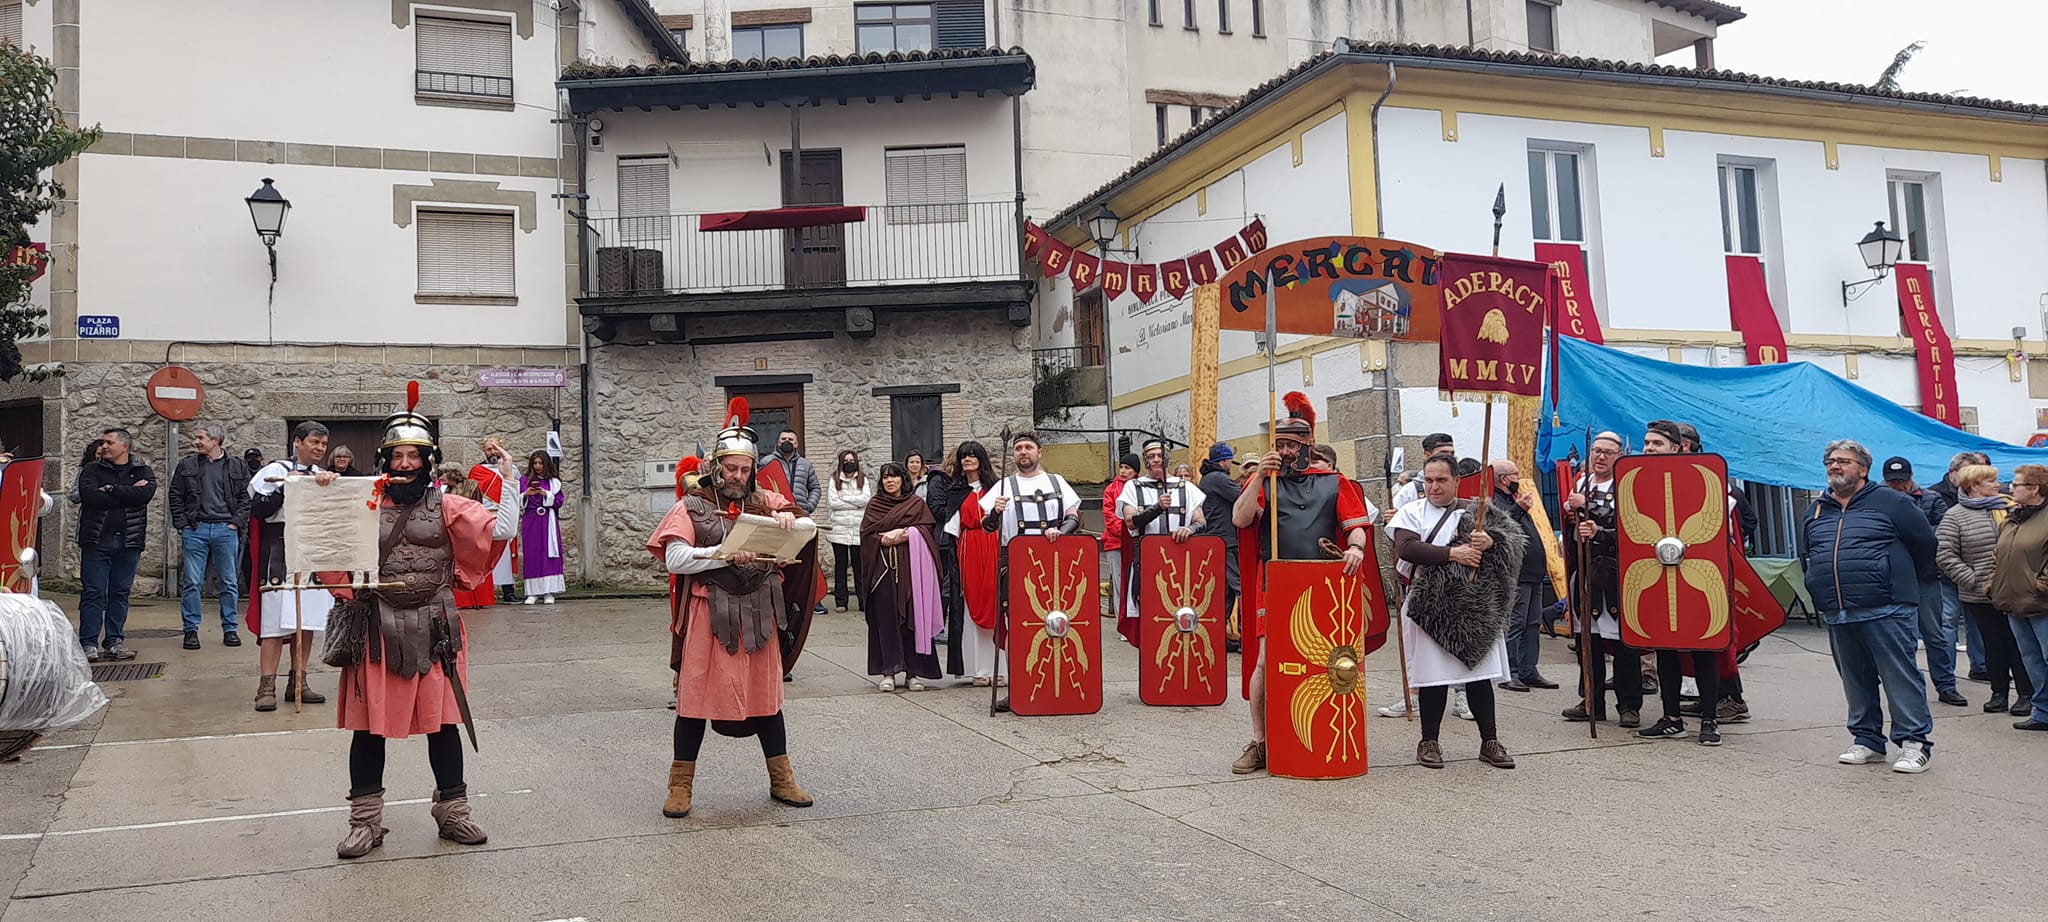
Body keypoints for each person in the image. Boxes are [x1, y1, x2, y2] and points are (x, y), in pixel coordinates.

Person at [329, 401, 514, 859]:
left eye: (415, 456)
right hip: (376, 627)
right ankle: (365, 823)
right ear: (384, 459)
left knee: (443, 724)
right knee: (369, 728)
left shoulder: (450, 506)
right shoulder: (361, 501)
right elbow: (322, 543)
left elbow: (501, 531)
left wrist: (506, 476)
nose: (406, 464)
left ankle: (452, 813)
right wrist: (321, 494)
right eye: (397, 455)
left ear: (429, 461)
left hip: (437, 627)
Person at [648, 400, 816, 820]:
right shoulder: (692, 504)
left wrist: (789, 522)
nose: (738, 477)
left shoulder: (766, 498)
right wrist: (725, 554)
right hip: (710, 612)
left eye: (744, 470)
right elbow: (676, 559)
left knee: (767, 699)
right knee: (694, 700)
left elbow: (810, 528)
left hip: (760, 610)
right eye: (730, 469)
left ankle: (782, 779)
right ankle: (680, 786)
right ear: (715, 466)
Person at [1227, 393, 1376, 774]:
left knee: (1329, 663)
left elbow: (1356, 528)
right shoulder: (1268, 481)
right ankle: (1260, 742)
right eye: (1279, 444)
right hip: (1274, 580)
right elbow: (1241, 520)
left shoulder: (1333, 482)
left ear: (1308, 445)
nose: (1285, 451)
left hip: (1322, 584)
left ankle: (1321, 737)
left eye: (1292, 444)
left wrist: (1356, 550)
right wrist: (1259, 474)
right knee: (1263, 663)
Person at [1800, 439, 1936, 772]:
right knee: (1854, 678)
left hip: (1886, 607)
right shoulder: (1816, 510)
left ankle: (1914, 743)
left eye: (1843, 461)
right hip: (1838, 609)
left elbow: (1925, 545)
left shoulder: (1893, 503)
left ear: (1863, 469)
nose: (1835, 466)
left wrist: (1894, 579)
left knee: (1899, 677)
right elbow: (1810, 553)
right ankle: (1867, 740)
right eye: (1830, 461)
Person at [1386, 453, 1518, 769]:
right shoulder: (1412, 512)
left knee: (1479, 676)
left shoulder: (1479, 512)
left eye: (1441, 480)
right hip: (1430, 604)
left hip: (1474, 604)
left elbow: (1511, 550)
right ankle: (1429, 742)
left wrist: (1491, 542)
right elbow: (1407, 548)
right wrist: (1453, 554)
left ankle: (1490, 742)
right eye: (1429, 480)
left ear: (1456, 480)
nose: (1434, 487)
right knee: (1434, 679)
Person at [1629, 421, 1727, 745]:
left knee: (1703, 647)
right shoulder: (1638, 481)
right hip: (1656, 572)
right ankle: (1672, 717)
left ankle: (1709, 720)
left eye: (1656, 443)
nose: (1648, 448)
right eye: (1646, 442)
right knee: (1665, 648)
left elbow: (1714, 525)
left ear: (1676, 447)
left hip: (1694, 571)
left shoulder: (1701, 476)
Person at [978, 432, 1083, 713]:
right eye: (1018, 448)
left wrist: (1059, 532)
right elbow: (987, 527)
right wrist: (996, 513)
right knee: (1019, 627)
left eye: (1028, 447)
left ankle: (1060, 684)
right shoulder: (1003, 485)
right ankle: (1018, 689)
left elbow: (1073, 516)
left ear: (1040, 452)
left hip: (1055, 562)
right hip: (1014, 561)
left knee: (1058, 622)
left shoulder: (1056, 482)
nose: (1023, 452)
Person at [248, 421, 335, 711]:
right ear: (297, 442)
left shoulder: (325, 475)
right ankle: (266, 686)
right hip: (279, 548)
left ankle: (299, 681)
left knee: (306, 618)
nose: (320, 449)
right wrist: (288, 486)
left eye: (323, 444)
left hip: (311, 549)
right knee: (274, 620)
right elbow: (260, 510)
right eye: (314, 442)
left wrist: (331, 488)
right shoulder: (273, 472)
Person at [1560, 432, 1642, 728]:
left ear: (1619, 455)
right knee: (1587, 642)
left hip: (1615, 575)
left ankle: (1629, 705)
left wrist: (1589, 512)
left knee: (1622, 644)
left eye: (1608, 452)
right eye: (1597, 451)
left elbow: (1631, 529)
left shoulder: (1626, 486)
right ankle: (1591, 701)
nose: (1601, 457)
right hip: (1585, 575)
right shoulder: (1582, 482)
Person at [1937, 464, 2032, 716]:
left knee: (2018, 643)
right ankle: (1998, 693)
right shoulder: (1955, 515)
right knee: (1993, 644)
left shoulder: (2012, 509)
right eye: (1990, 481)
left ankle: (2025, 694)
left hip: (2014, 590)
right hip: (1979, 593)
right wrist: (1973, 579)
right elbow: (1945, 555)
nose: (1997, 485)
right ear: (1974, 486)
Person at [1882, 456, 1966, 707]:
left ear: (1910, 479)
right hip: (1893, 578)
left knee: (1935, 635)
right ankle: (1908, 689)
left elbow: (1941, 533)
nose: (1897, 486)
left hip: (1926, 577)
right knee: (1900, 638)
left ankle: (1946, 685)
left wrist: (1909, 525)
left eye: (1902, 481)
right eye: (1892, 482)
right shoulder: (1878, 501)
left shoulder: (1930, 499)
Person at [860, 462, 944, 691]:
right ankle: (888, 672)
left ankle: (913, 673)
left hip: (912, 572)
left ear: (902, 479)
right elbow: (866, 536)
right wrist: (881, 540)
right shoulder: (874, 505)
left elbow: (928, 532)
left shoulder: (915, 504)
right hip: (883, 573)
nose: (890, 481)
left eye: (894, 477)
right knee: (886, 621)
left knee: (912, 621)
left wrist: (907, 534)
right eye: (886, 477)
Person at [75, 429, 155, 663]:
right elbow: (90, 497)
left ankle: (114, 641)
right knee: (93, 593)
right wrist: (129, 493)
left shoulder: (142, 471)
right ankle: (88, 643)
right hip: (97, 541)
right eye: (104, 442)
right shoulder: (91, 470)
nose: (104, 446)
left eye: (110, 442)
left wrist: (110, 489)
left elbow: (145, 495)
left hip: (129, 542)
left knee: (120, 593)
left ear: (124, 447)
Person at [1117, 439, 1206, 646]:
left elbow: (1201, 521)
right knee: (1150, 618)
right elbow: (1131, 522)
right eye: (1151, 456)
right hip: (1146, 563)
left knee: (1181, 615)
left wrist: (1189, 529)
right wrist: (1157, 508)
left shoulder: (1185, 487)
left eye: (1160, 455)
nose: (1156, 459)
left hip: (1181, 563)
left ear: (1168, 458)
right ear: (1145, 460)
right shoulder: (1133, 487)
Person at [169, 424, 249, 650]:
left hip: (226, 529)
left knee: (229, 582)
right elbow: (175, 495)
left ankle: (230, 629)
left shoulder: (237, 466)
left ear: (215, 440)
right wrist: (183, 524)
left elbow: (246, 496)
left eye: (200, 438)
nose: (196, 441)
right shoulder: (187, 465)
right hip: (196, 529)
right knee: (192, 582)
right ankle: (190, 630)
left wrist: (235, 523)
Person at [1490, 459, 1557, 693]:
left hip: (1534, 573)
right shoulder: (1496, 500)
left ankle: (1529, 669)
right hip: (1516, 574)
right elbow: (1501, 527)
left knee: (1532, 623)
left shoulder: (1514, 499)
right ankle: (1511, 672)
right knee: (1516, 623)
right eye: (1515, 474)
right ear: (1504, 478)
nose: (1519, 478)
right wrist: (1520, 509)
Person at [1991, 463, 2048, 732]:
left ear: (2035, 488)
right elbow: (1998, 556)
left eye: (2016, 484)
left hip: (2041, 603)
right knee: (2032, 660)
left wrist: (2040, 586)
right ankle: (2044, 712)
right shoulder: (2012, 518)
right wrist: (1992, 584)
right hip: (2014, 602)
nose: (2010, 488)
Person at [941, 441, 1002, 685]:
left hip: (994, 547)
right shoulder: (956, 491)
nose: (967, 459)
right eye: (963, 456)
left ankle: (1001, 669)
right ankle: (979, 668)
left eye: (972, 455)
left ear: (981, 459)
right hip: (969, 550)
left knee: (997, 601)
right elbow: (952, 529)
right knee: (970, 603)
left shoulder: (997, 488)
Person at [1937, 452, 1992, 682]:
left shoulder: (1994, 505)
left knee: (1978, 623)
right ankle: (1947, 674)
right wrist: (1968, 576)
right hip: (1951, 576)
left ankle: (1980, 666)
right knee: (1948, 621)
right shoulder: (1937, 496)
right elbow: (1942, 547)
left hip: (1980, 579)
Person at [455, 439, 519, 609]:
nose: (492, 452)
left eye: (495, 448)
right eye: (488, 449)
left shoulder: (512, 470)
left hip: (504, 514)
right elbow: (471, 494)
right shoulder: (477, 470)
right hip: (484, 517)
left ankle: (508, 591)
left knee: (506, 556)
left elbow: (515, 490)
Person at [1197, 443, 1242, 643]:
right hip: (1225, 539)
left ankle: (1215, 633)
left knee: (1226, 589)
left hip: (1217, 538)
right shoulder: (1219, 479)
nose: (1231, 463)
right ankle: (1247, 630)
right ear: (1223, 460)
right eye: (1230, 459)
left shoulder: (1208, 478)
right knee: (1238, 584)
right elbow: (1243, 498)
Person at [824, 450, 871, 612]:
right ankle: (841, 602)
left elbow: (866, 500)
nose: (849, 462)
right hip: (839, 529)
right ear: (841, 462)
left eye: (852, 460)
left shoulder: (863, 479)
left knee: (860, 568)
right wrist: (855, 503)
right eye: (846, 460)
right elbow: (833, 502)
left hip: (858, 529)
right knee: (840, 566)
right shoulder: (834, 479)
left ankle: (863, 602)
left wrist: (845, 498)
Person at [518, 450, 566, 605]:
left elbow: (559, 501)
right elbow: (516, 500)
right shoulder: (524, 480)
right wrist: (526, 494)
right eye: (535, 463)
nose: (538, 466)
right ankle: (532, 592)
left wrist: (545, 493)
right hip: (531, 520)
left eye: (540, 463)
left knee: (548, 555)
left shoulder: (554, 482)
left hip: (548, 520)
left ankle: (548, 591)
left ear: (546, 464)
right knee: (533, 554)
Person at [1102, 453, 1138, 634]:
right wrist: (1128, 533)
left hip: (1136, 543)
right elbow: (1110, 518)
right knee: (1119, 582)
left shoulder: (1140, 487)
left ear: (1135, 472)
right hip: (1116, 543)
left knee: (1135, 582)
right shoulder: (1111, 490)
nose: (1123, 471)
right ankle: (1121, 623)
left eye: (1128, 468)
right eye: (1122, 467)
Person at [1389, 433, 1455, 514]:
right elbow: (1394, 519)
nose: (1449, 458)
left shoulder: (1463, 482)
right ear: (1427, 455)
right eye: (1443, 453)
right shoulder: (1410, 490)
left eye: (1452, 453)